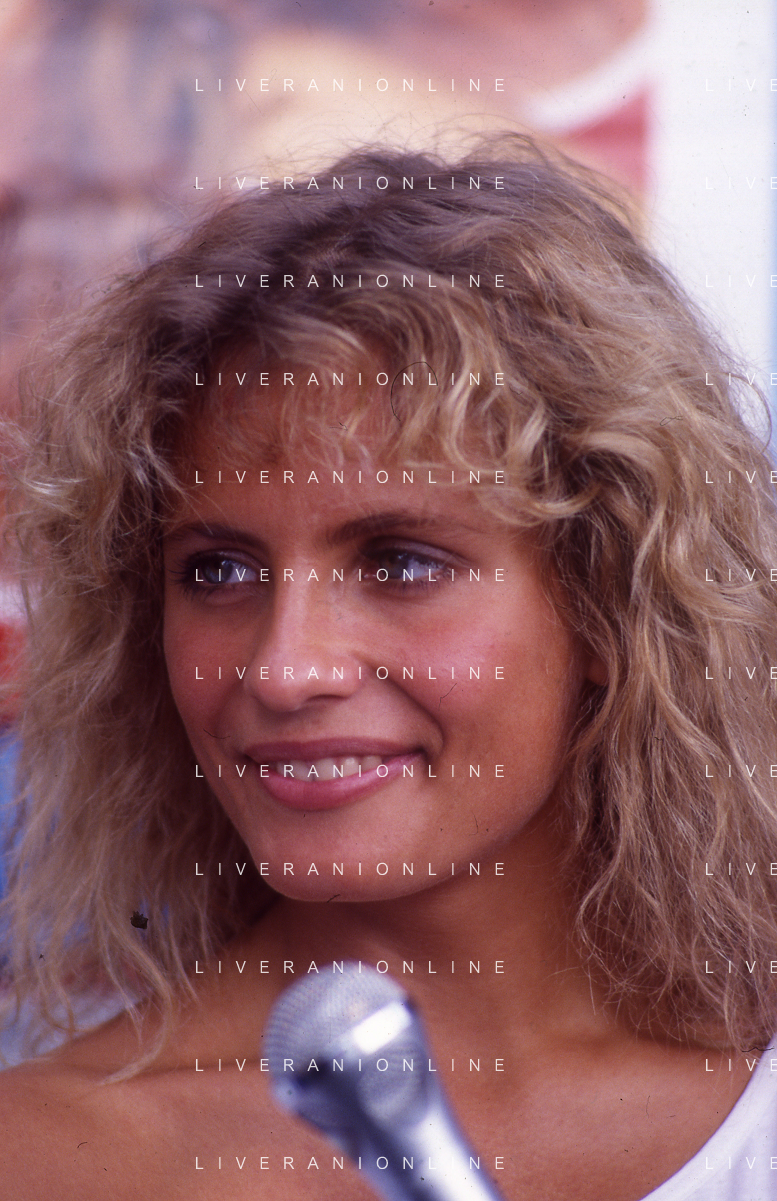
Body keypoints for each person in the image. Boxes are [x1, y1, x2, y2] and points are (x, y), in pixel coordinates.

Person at [0, 136, 776, 1200]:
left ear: (608, 601)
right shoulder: (50, 1157)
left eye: (401, 561)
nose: (285, 669)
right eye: (218, 570)